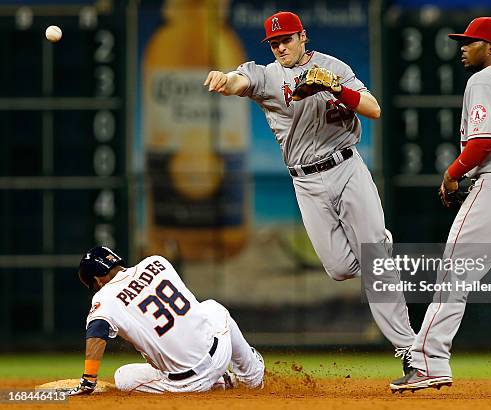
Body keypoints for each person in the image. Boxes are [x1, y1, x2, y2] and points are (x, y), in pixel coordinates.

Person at [204, 11, 416, 371]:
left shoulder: (334, 67)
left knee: (375, 261)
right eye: (274, 42)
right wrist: (225, 78)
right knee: (339, 268)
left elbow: (373, 109)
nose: (280, 46)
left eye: (286, 39)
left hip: (347, 167)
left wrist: (334, 87)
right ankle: (380, 240)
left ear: (303, 36)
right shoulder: (267, 75)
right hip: (305, 181)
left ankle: (409, 348)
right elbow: (240, 81)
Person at [389, 17, 491, 400]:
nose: (462, 47)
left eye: (471, 42)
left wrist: (451, 174)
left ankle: (428, 363)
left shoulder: (484, 80)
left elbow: (482, 140)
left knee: (453, 277)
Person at [65, 246, 265, 395]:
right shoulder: (156, 262)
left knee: (122, 376)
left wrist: (89, 380)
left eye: (95, 284)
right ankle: (252, 375)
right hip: (219, 354)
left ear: (98, 280)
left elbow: (97, 330)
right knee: (213, 308)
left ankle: (219, 382)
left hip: (186, 384)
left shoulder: (105, 297)